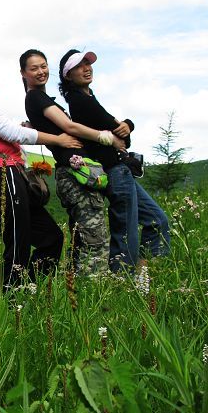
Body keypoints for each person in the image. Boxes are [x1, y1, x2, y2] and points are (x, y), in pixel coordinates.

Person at [0, 48, 82, 292]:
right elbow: (13, 133)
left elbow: (10, 132)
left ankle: (27, 289)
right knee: (17, 242)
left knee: (51, 237)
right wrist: (58, 139)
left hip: (10, 173)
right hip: (2, 174)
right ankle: (9, 301)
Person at [58, 49, 170, 271]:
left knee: (157, 220)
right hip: (115, 171)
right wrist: (125, 127)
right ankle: (124, 279)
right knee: (126, 230)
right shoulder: (80, 101)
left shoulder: (89, 98)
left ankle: (145, 271)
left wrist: (127, 124)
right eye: (79, 66)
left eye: (88, 64)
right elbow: (119, 132)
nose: (86, 68)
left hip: (120, 170)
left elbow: (122, 133)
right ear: (68, 76)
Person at [20, 49, 127, 275]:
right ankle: (92, 290)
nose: (41, 72)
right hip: (74, 172)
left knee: (82, 237)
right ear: (23, 73)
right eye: (34, 68)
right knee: (94, 238)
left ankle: (77, 288)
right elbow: (69, 127)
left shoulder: (38, 99)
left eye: (43, 66)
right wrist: (108, 138)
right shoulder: (36, 97)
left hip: (70, 172)